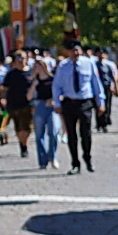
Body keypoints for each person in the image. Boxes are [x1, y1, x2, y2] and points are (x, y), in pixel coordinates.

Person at [52, 39, 105, 174]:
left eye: (77, 50)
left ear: (80, 51)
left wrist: (100, 102)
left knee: (86, 133)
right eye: (72, 50)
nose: (75, 53)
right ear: (68, 52)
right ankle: (75, 163)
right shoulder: (63, 66)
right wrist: (57, 103)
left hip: (85, 101)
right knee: (72, 135)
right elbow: (57, 86)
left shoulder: (89, 64)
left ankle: (87, 157)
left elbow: (95, 83)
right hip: (69, 102)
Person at [0, 53, 32, 158]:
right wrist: (3, 98)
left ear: (26, 59)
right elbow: (4, 87)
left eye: (22, 58)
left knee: (27, 128)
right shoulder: (11, 74)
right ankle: (22, 146)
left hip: (28, 104)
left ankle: (25, 144)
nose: (20, 60)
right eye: (18, 58)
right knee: (19, 127)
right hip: (14, 103)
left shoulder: (31, 72)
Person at [30, 55, 59, 168]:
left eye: (38, 66)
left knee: (53, 132)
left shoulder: (53, 79)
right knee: (39, 134)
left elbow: (59, 92)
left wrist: (54, 100)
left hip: (51, 105)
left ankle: (52, 156)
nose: (36, 68)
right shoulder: (35, 81)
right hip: (39, 105)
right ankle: (43, 161)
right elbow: (29, 97)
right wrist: (33, 85)